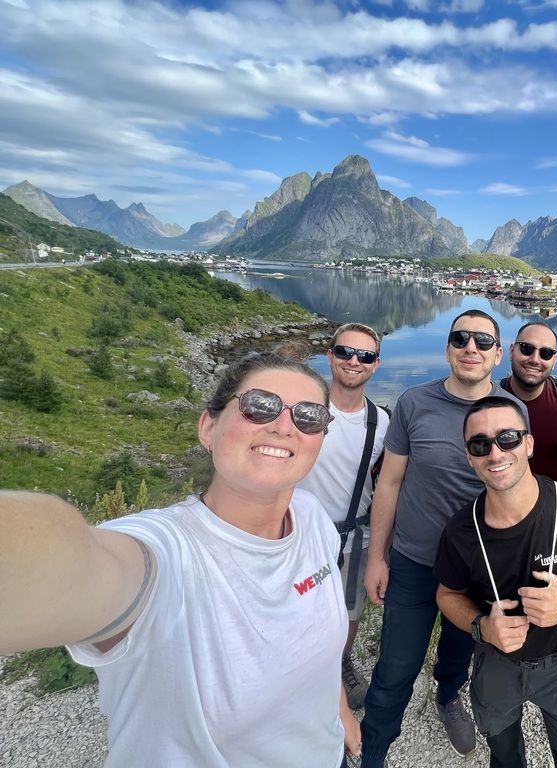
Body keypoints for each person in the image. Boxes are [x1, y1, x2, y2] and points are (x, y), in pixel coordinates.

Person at [0, 351, 361, 767]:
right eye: (259, 406)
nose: (283, 426)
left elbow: (315, 638)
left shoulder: (312, 517)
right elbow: (68, 563)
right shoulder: (165, 551)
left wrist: (340, 710)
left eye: (309, 416)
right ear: (208, 427)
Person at [360, 309, 525, 767]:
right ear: (448, 347)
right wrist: (378, 556)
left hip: (476, 569)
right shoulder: (414, 402)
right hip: (413, 560)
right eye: (460, 338)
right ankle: (373, 752)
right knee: (394, 670)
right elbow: (389, 483)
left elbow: (516, 489)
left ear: (497, 355)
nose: (470, 347)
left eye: (481, 341)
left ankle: (448, 695)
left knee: (461, 648)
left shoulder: (511, 412)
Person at [434, 396, 557, 768]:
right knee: (505, 757)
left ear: (529, 443)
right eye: (480, 444)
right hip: (495, 662)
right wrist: (482, 627)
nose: (495, 452)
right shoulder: (461, 530)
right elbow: (447, 593)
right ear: (469, 457)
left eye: (507, 437)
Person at [297, 323, 389, 710]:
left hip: (353, 535)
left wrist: (380, 553)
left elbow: (386, 485)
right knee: (295, 607)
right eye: (346, 352)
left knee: (349, 608)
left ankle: (340, 662)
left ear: (375, 364)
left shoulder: (382, 423)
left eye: (364, 356)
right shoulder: (303, 410)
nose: (354, 361)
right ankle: (297, 671)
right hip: (297, 535)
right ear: (330, 355)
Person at [499, 321, 557, 482]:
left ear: (554, 361)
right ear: (511, 351)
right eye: (527, 349)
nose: (535, 359)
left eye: (545, 354)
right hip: (503, 502)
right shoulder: (489, 398)